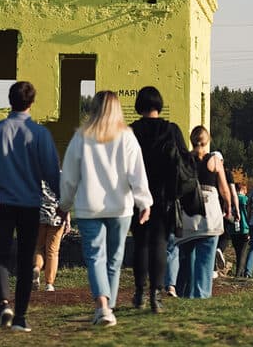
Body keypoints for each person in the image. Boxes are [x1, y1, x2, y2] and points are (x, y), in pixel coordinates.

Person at [59, 91, 152, 328]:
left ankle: (102, 306)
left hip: (90, 207)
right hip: (121, 207)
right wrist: (144, 201)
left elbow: (69, 177)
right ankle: (107, 308)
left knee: (95, 257)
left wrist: (64, 205)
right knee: (114, 259)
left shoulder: (81, 137)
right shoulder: (127, 137)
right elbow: (137, 173)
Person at [0, 81, 61, 332]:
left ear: (10, 100)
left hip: (1, 202)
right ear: (32, 102)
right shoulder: (40, 134)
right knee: (27, 258)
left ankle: (4, 303)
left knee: (1, 256)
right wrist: (64, 202)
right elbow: (51, 172)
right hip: (30, 204)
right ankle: (20, 317)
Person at [129, 86, 188, 312]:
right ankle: (156, 294)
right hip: (165, 197)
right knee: (160, 245)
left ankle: (139, 293)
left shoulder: (131, 131)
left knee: (141, 244)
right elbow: (184, 161)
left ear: (139, 105)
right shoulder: (171, 130)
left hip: (137, 196)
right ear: (159, 103)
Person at [176, 126, 231, 299]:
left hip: (188, 214)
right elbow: (224, 190)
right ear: (208, 141)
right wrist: (229, 206)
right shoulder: (214, 160)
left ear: (191, 140)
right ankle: (201, 295)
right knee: (205, 261)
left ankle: (184, 293)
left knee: (186, 259)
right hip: (210, 215)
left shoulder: (183, 159)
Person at [33, 180, 69, 292]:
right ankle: (49, 284)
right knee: (52, 251)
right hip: (57, 216)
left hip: (39, 215)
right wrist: (67, 219)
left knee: (38, 247)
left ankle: (36, 267)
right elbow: (66, 198)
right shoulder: (60, 175)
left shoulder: (36, 174)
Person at [231, 183, 250, 277]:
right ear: (243, 189)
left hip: (233, 229)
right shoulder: (245, 199)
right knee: (243, 252)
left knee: (238, 252)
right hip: (244, 228)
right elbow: (249, 214)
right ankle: (239, 274)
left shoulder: (231, 199)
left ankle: (240, 272)